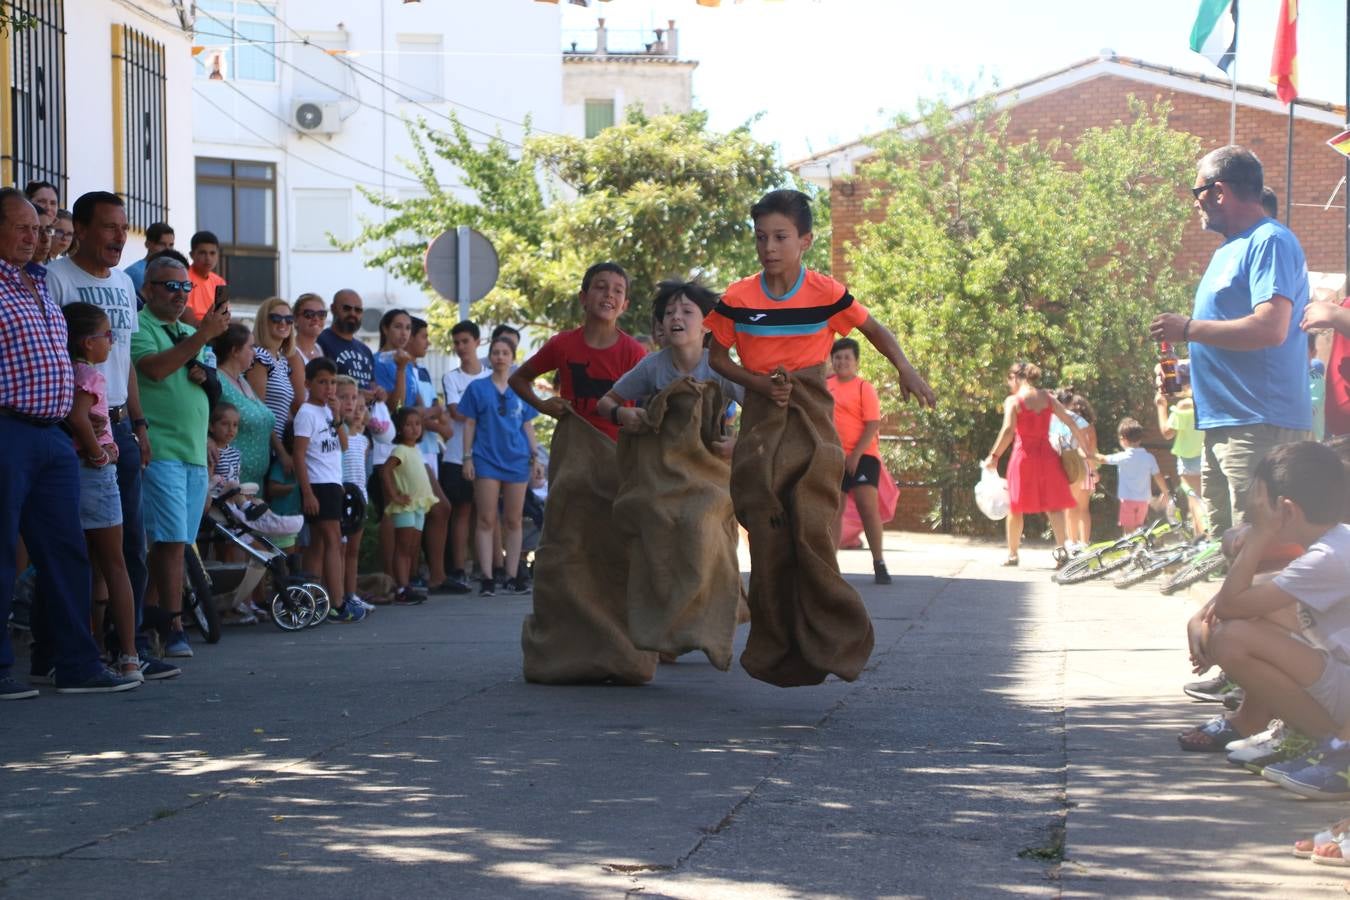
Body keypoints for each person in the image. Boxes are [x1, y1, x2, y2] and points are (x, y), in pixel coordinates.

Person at [706, 188, 935, 687]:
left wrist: (906, 369)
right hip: (764, 417)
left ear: (805, 240)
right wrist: (758, 384)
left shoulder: (827, 292)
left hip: (812, 413)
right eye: (761, 237)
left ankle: (836, 636)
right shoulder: (737, 297)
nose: (769, 246)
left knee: (810, 525)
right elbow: (717, 359)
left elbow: (875, 329)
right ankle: (777, 650)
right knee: (768, 535)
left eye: (781, 237)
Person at [0, 189, 138, 697]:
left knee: (66, 552)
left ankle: (76, 663)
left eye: (37, 229)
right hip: (9, 430)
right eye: (21, 227)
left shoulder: (36, 283)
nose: (33, 237)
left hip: (54, 437)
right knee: (2, 551)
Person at [1150, 145, 1312, 538]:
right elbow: (1229, 336)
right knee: (1225, 552)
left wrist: (1187, 329)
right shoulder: (1228, 250)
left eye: (1198, 193)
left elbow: (1270, 328)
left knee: (1258, 551)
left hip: (1258, 424)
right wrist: (1186, 368)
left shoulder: (1269, 241)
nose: (1196, 205)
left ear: (1219, 191)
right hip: (1224, 424)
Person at [46, 191, 173, 678]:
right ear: (79, 228)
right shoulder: (56, 279)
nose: (120, 236)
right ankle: (63, 655)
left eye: (124, 228)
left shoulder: (123, 284)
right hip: (73, 428)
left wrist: (138, 425)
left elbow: (126, 363)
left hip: (119, 424)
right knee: (71, 549)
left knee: (128, 548)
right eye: (108, 226)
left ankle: (129, 646)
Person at [1181, 443, 1349, 776]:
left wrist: (1259, 533)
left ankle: (1333, 745)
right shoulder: (1337, 542)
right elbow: (1258, 592)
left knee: (1231, 639)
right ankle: (1271, 722)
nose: (1253, 513)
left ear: (1286, 510)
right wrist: (1202, 614)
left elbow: (1231, 607)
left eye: (1258, 507)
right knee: (1251, 615)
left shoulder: (1327, 557)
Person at [132, 253, 229, 659]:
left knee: (175, 543)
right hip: (162, 450)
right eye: (170, 286)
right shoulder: (142, 326)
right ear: (147, 290)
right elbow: (153, 369)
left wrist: (207, 377)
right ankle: (173, 626)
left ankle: (149, 620)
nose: (179, 293)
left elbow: (215, 388)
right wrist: (201, 338)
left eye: (184, 287)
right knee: (170, 543)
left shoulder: (188, 332)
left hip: (193, 452)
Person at [62, 302, 141, 682]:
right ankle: (128, 653)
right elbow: (79, 417)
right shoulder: (89, 376)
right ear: (86, 342)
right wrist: (99, 454)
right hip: (93, 474)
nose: (111, 342)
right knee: (115, 565)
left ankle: (93, 648)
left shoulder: (66, 371)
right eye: (106, 335)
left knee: (90, 567)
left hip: (74, 471)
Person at [508, 262, 646, 440]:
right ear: (583, 297)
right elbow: (517, 378)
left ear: (624, 305)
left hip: (618, 453)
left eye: (618, 290)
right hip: (571, 449)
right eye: (601, 287)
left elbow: (652, 401)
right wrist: (542, 405)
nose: (609, 294)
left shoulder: (634, 351)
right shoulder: (561, 344)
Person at [984, 362, 1089, 566]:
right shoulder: (1048, 399)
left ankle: (1013, 555)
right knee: (1054, 506)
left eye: (1009, 380)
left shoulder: (1014, 400)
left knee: (1015, 506)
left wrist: (994, 456)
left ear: (1015, 377)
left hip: (1023, 457)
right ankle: (1061, 553)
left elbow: (1007, 431)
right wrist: (1086, 449)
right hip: (1047, 456)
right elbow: (1071, 422)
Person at [460, 337, 542, 596]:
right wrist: (467, 457)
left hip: (517, 459)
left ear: (512, 357)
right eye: (495, 352)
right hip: (486, 458)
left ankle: (512, 574)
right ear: (490, 356)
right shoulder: (477, 388)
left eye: (505, 353)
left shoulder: (521, 388)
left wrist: (535, 457)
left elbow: (528, 424)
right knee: (486, 518)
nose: (500, 357)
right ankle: (486, 576)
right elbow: (469, 424)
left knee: (514, 519)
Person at [294, 357, 365, 623]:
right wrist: (307, 492)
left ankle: (314, 600)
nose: (329, 388)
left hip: (333, 482)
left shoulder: (328, 412)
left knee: (320, 544)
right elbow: (299, 455)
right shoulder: (307, 413)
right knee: (334, 541)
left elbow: (343, 445)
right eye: (323, 382)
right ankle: (337, 603)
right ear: (308, 384)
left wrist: (336, 418)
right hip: (318, 484)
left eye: (332, 382)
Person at [826, 337, 891, 584]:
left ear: (856, 362)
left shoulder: (864, 387)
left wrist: (854, 455)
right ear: (832, 360)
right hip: (833, 456)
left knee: (867, 506)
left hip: (863, 455)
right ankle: (830, 566)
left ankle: (879, 562)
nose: (842, 362)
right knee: (834, 510)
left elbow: (872, 423)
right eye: (838, 357)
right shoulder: (825, 386)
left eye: (847, 358)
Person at [441, 320, 490, 592]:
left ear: (477, 342)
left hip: (488, 455)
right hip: (457, 455)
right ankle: (458, 568)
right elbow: (455, 411)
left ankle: (490, 570)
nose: (461, 347)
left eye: (465, 342)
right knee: (461, 511)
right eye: (457, 343)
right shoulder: (451, 377)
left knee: (487, 514)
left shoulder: (489, 376)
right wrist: (484, 411)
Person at [380, 407, 436, 605]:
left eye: (417, 424)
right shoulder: (400, 450)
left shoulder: (415, 450)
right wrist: (394, 494)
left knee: (412, 547)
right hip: (405, 506)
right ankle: (402, 587)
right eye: (408, 424)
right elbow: (385, 471)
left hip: (418, 505)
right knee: (403, 547)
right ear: (399, 428)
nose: (414, 428)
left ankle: (407, 583)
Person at [213, 323, 275, 487]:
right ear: (235, 351)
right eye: (250, 347)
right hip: (230, 483)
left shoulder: (242, 381)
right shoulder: (217, 380)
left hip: (256, 484)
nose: (254, 353)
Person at [249, 296, 306, 473]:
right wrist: (281, 452)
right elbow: (260, 411)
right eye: (276, 318)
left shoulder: (281, 361)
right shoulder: (259, 355)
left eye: (289, 319)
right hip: (262, 445)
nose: (283, 323)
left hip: (277, 445)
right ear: (264, 321)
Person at [1093, 418, 1169, 534]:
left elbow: (1102, 459)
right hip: (1144, 500)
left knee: (1128, 529)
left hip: (1127, 500)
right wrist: (1165, 492)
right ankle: (1140, 547)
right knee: (1140, 527)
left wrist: (1086, 454)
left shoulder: (1123, 457)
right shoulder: (1149, 458)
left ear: (1123, 439)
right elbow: (1158, 476)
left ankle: (1131, 548)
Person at [337, 383, 371, 609]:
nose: (356, 409)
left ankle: (351, 594)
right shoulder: (340, 433)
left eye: (361, 406)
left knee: (353, 551)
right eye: (350, 403)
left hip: (359, 500)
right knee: (339, 550)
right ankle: (336, 595)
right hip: (342, 499)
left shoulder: (364, 440)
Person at [1051, 390, 1098, 550]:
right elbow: (1090, 448)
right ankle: (1084, 543)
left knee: (1069, 505)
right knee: (1084, 508)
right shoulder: (1085, 424)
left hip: (1063, 463)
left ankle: (1072, 541)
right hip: (1083, 464)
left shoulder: (1052, 420)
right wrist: (1093, 470)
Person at [1155, 389, 1206, 535]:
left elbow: (1167, 432)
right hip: (1206, 454)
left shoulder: (1184, 405)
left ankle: (1206, 537)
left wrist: (1161, 406)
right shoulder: (1204, 400)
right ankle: (1199, 539)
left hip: (1189, 459)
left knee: (1195, 501)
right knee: (1201, 501)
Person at [317, 288, 376, 391]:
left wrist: (378, 392)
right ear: (333, 308)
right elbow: (318, 384)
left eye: (358, 310)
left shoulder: (365, 350)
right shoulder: (321, 341)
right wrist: (359, 395)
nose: (353, 314)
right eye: (347, 308)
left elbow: (372, 385)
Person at [372, 308, 416, 410]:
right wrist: (400, 369)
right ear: (385, 329)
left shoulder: (406, 360)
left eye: (408, 328)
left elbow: (415, 398)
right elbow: (396, 407)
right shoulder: (377, 361)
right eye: (398, 327)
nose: (404, 333)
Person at [182, 230, 226, 328]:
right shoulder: (183, 278)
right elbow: (188, 320)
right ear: (192, 255)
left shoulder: (220, 282)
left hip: (215, 330)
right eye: (202, 253)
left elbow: (224, 315)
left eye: (212, 253)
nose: (208, 258)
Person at [122, 222, 173, 298]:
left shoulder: (173, 271)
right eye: (162, 244)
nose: (168, 250)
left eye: (171, 245)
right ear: (147, 244)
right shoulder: (135, 272)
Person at [293, 292, 328, 367]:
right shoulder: (290, 351)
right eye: (309, 314)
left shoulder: (318, 349)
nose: (316, 318)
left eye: (321, 314)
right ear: (295, 319)